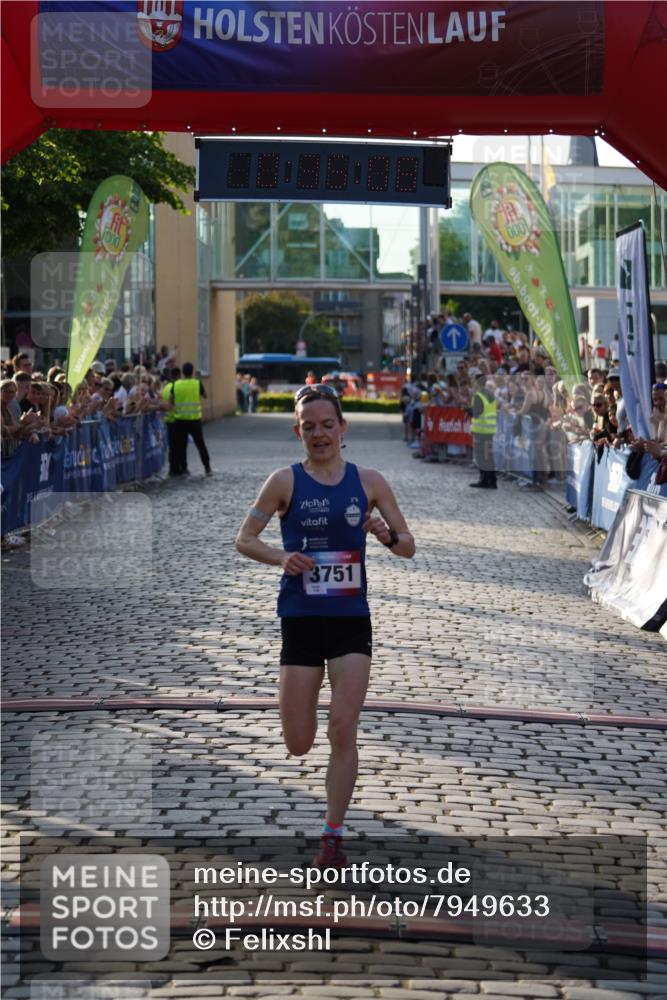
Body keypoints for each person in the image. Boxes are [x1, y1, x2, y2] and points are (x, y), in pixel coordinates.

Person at [235, 382, 415, 868]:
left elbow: (408, 545)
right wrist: (281, 556)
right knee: (298, 741)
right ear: (298, 431)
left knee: (342, 727)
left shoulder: (370, 481)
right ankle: (303, 722)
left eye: (327, 425)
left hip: (351, 620)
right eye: (309, 426)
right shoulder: (283, 482)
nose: (319, 434)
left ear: (342, 428)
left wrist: (385, 533)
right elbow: (244, 540)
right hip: (300, 618)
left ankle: (331, 834)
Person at [171, 361, 212, 476]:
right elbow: (205, 396)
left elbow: (170, 400)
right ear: (192, 371)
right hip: (194, 420)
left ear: (183, 373)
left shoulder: (177, 384)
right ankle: (207, 467)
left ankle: (184, 468)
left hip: (180, 420)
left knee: (182, 445)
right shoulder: (197, 383)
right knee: (200, 444)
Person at [468, 374, 497, 488]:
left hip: (481, 430)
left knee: (481, 457)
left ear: (477, 382)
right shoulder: (490, 394)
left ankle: (484, 480)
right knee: (488, 456)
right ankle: (492, 481)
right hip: (489, 429)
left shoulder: (478, 395)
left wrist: (467, 411)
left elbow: (477, 413)